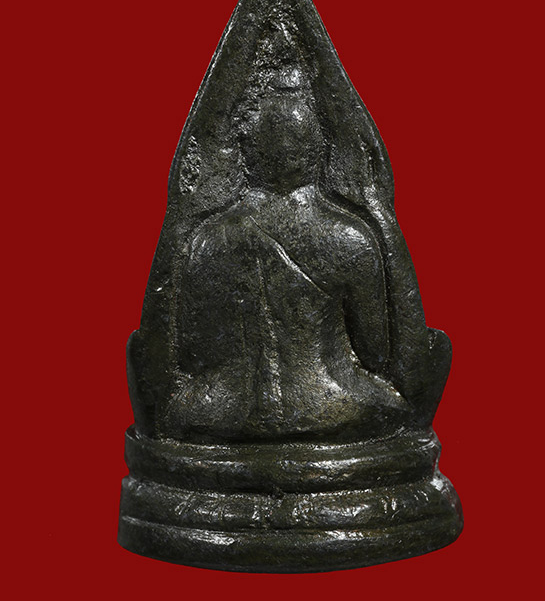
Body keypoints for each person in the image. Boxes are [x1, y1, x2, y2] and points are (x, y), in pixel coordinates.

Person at [158, 92, 410, 441]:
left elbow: (192, 353)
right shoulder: (350, 239)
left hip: (222, 415)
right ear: (315, 153)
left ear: (247, 156)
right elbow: (375, 353)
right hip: (333, 404)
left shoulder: (208, 241)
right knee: (397, 406)